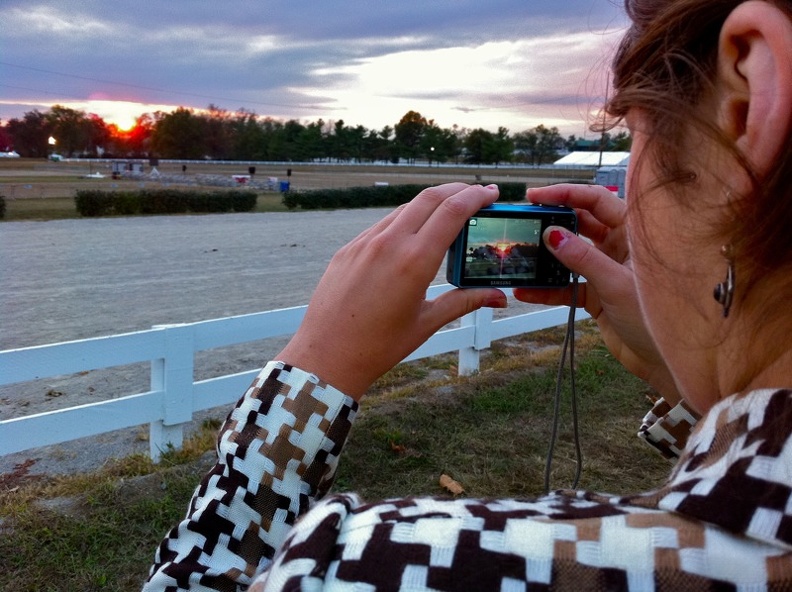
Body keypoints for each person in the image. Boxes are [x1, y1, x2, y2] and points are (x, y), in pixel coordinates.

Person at [144, 0, 792, 589]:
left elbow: (197, 575)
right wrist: (697, 383)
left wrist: (316, 368)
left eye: (633, 140)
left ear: (745, 103)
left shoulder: (390, 565)